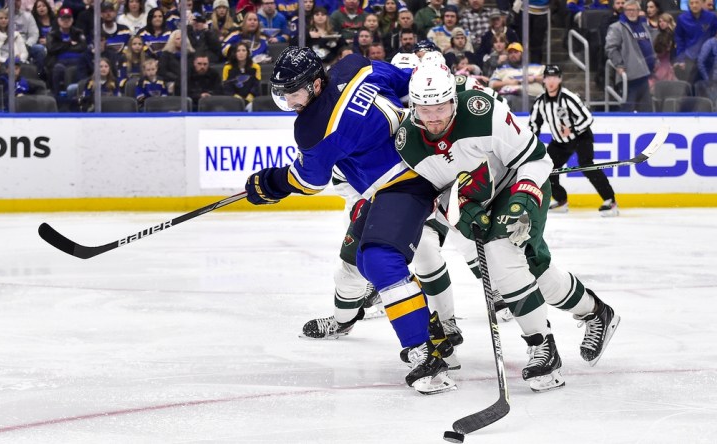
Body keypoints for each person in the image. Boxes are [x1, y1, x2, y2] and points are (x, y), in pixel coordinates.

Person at [395, 55, 622, 392]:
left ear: (452, 99)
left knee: (502, 256)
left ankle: (542, 348)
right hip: (479, 200)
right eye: (425, 110)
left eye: (441, 107)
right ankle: (596, 311)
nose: (434, 118)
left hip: (520, 183)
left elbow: (535, 158)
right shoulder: (407, 141)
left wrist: (523, 198)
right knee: (534, 270)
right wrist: (459, 208)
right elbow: (438, 192)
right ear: (413, 106)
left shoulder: (482, 110)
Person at [244, 46, 457, 395]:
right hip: (416, 171)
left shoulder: (314, 126)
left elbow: (309, 181)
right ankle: (420, 325)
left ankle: (426, 353)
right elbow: (411, 87)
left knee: (381, 259)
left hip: (408, 183)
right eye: (282, 95)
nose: (289, 102)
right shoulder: (357, 67)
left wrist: (270, 183)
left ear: (315, 85)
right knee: (358, 259)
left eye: (293, 93)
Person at [529, 65, 619, 216]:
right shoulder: (540, 102)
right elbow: (534, 124)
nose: (551, 81)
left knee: (587, 166)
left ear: (560, 79)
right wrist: (530, 144)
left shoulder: (569, 97)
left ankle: (610, 201)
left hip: (581, 137)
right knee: (547, 169)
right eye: (548, 77)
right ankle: (561, 200)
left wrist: (573, 129)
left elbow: (587, 118)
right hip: (559, 142)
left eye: (555, 77)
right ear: (543, 80)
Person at [605, 0, 655, 112]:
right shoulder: (616, 27)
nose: (631, 13)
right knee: (627, 112)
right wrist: (619, 64)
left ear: (639, 11)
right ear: (624, 12)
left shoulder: (644, 26)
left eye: (634, 10)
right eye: (628, 10)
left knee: (647, 113)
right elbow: (611, 48)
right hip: (629, 77)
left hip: (645, 75)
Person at [674, 0, 717, 84]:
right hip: (690, 60)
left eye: (697, 2)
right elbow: (679, 39)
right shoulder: (682, 18)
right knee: (689, 87)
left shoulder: (712, 17)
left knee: (707, 87)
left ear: (702, 3)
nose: (694, 5)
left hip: (707, 59)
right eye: (691, 3)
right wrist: (681, 58)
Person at [45, 7, 87, 96]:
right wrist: (69, 44)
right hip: (59, 62)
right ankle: (56, 96)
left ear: (72, 20)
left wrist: (62, 45)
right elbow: (51, 48)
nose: (66, 21)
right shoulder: (52, 34)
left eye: (68, 18)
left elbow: (82, 47)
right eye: (63, 18)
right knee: (57, 68)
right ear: (58, 20)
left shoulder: (78, 32)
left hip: (77, 61)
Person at [222, 41, 261, 110]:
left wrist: (250, 97)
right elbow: (227, 86)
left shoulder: (255, 67)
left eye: (244, 50)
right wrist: (237, 98)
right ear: (234, 53)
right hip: (233, 99)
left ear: (247, 53)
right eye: (238, 51)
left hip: (251, 99)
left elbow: (256, 85)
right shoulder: (227, 68)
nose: (241, 53)